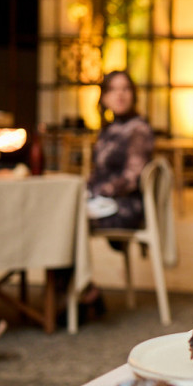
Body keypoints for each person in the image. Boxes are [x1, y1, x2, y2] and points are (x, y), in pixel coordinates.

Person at [74, 71, 155, 320]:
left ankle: (83, 294)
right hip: (104, 203)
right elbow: (98, 173)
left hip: (126, 207)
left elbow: (132, 178)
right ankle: (79, 291)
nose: (120, 94)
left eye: (125, 88)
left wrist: (95, 192)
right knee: (61, 217)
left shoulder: (138, 128)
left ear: (133, 94)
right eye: (113, 89)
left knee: (66, 223)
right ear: (104, 98)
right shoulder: (109, 130)